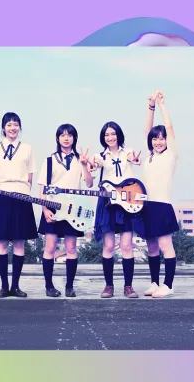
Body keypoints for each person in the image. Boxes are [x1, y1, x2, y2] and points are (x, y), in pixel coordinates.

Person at [0, 112, 38, 299]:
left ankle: (16, 286)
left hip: (21, 196)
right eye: (9, 124)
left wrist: (25, 192)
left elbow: (30, 176)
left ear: (20, 127)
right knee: (1, 242)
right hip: (1, 195)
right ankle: (4, 286)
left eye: (16, 124)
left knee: (19, 242)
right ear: (3, 127)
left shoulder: (27, 148)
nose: (13, 128)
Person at [36, 124, 94, 297]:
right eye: (63, 135)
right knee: (50, 247)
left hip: (74, 208)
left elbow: (89, 183)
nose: (66, 138)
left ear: (75, 138)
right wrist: (45, 209)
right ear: (57, 138)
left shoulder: (80, 160)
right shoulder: (49, 161)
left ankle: (69, 286)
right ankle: (49, 287)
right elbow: (42, 188)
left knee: (71, 247)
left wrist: (84, 165)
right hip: (53, 206)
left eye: (70, 135)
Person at [89, 121, 144, 298]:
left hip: (127, 202)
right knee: (109, 245)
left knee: (127, 246)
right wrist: (90, 165)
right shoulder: (100, 156)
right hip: (108, 203)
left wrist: (135, 160)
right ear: (103, 138)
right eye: (106, 135)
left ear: (119, 135)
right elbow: (94, 165)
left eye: (113, 134)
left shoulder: (127, 152)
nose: (110, 137)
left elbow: (133, 159)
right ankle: (108, 286)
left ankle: (128, 286)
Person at [141, 91, 180, 298]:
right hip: (146, 206)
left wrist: (162, 105)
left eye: (161, 139)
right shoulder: (149, 156)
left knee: (166, 246)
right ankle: (155, 282)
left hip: (162, 205)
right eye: (155, 139)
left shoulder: (171, 155)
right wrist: (150, 107)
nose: (158, 142)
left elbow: (171, 129)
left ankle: (168, 284)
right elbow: (147, 130)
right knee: (152, 247)